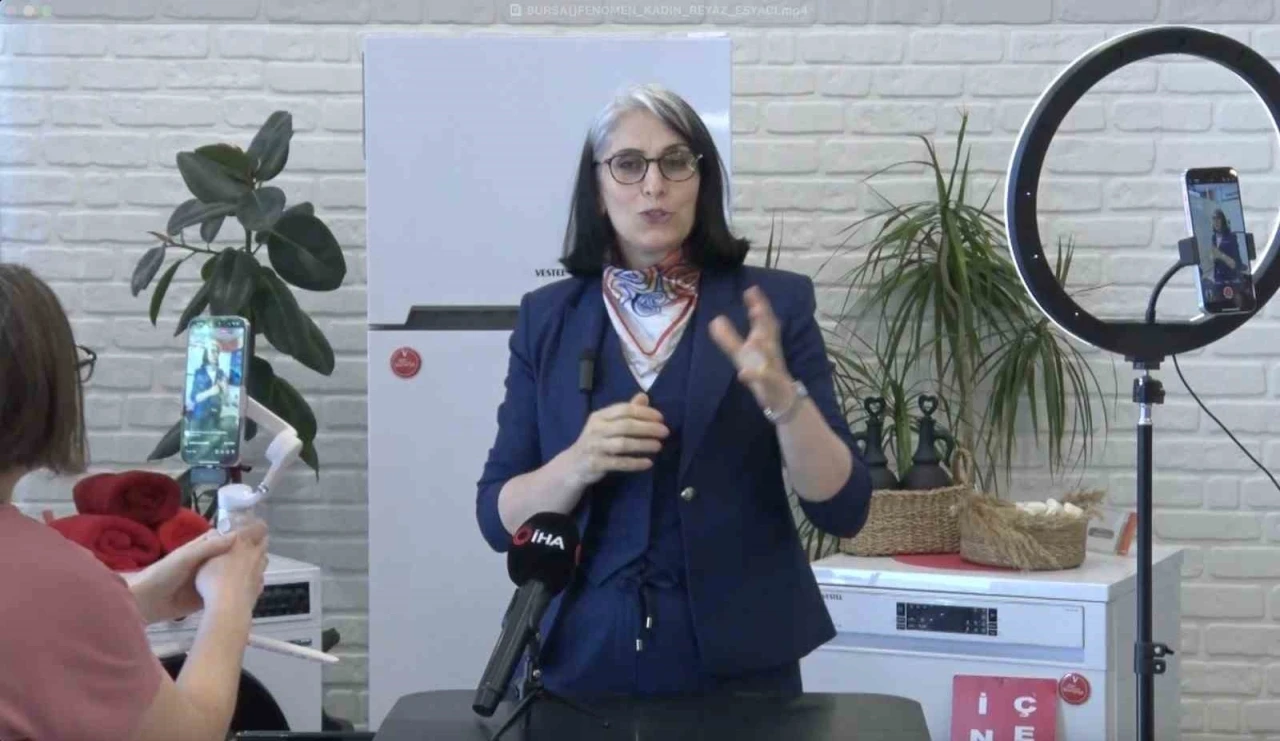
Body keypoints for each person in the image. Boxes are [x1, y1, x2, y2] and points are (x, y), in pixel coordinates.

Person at [475, 83, 872, 699]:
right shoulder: (547, 318)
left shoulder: (773, 304)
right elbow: (497, 519)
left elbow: (843, 509)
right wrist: (578, 462)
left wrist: (785, 400)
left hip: (740, 670)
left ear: (701, 182)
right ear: (597, 189)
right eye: (628, 164)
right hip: (581, 657)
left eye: (676, 162)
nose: (654, 186)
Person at [0, 263, 270, 741]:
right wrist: (230, 604)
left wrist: (132, 600)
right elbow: (187, 735)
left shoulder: (55, 589)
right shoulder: (54, 580)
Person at [188, 341, 229, 433]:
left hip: (215, 418)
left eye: (217, 352)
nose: (216, 354)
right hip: (199, 419)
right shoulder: (199, 373)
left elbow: (225, 402)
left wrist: (226, 390)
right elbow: (193, 398)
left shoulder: (221, 373)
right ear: (206, 353)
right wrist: (210, 392)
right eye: (213, 351)